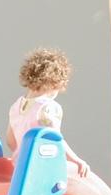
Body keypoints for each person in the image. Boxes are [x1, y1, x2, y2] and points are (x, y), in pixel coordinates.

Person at [6, 48, 88, 177]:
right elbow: (54, 138)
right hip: (41, 167)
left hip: (20, 167)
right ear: (53, 82)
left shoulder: (15, 107)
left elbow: (11, 141)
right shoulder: (48, 107)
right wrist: (76, 160)